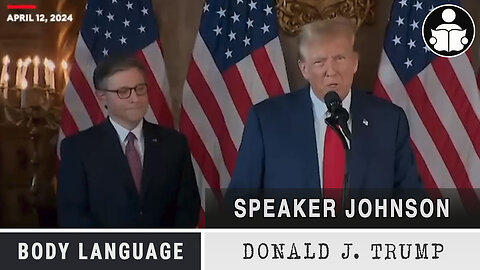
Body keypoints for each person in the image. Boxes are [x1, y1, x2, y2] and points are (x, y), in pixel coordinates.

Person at [228, 17, 422, 192]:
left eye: (339, 58)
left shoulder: (389, 121)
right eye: (320, 62)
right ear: (304, 69)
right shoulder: (267, 121)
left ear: (354, 62)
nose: (331, 71)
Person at [58, 55, 200, 227]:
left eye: (140, 88)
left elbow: (188, 206)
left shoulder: (174, 143)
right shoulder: (78, 148)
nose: (135, 98)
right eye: (123, 92)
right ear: (102, 96)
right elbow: (73, 215)